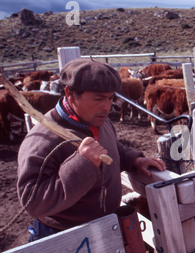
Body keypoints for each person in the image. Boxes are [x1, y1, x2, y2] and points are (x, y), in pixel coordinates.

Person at [17, 58, 166, 241]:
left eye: (111, 98)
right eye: (98, 99)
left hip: (103, 228)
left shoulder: (99, 122)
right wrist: (82, 164)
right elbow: (32, 202)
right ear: (69, 93)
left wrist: (135, 159)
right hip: (64, 237)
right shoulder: (43, 139)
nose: (107, 106)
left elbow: (112, 148)